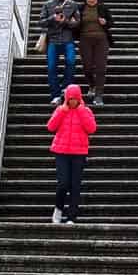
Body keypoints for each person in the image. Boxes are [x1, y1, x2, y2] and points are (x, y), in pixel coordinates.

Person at [47, 83, 97, 225]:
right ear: (67, 98)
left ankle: (71, 217)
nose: (73, 101)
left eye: (75, 98)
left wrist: (81, 111)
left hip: (79, 153)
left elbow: (92, 128)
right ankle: (58, 209)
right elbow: (51, 126)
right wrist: (62, 111)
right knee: (63, 183)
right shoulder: (60, 110)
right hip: (61, 152)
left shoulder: (85, 111)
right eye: (70, 98)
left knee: (75, 185)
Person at [41, 0, 80, 103]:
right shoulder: (48, 4)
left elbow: (78, 23)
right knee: (52, 67)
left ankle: (65, 87)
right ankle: (56, 94)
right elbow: (40, 22)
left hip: (68, 40)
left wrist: (65, 21)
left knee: (71, 62)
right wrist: (52, 18)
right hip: (53, 40)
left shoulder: (73, 5)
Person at [78, 0, 115, 105]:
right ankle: (92, 85)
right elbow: (75, 24)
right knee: (87, 66)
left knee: (100, 67)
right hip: (85, 40)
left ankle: (99, 95)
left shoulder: (103, 7)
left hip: (101, 40)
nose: (92, 0)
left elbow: (111, 22)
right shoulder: (80, 8)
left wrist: (105, 22)